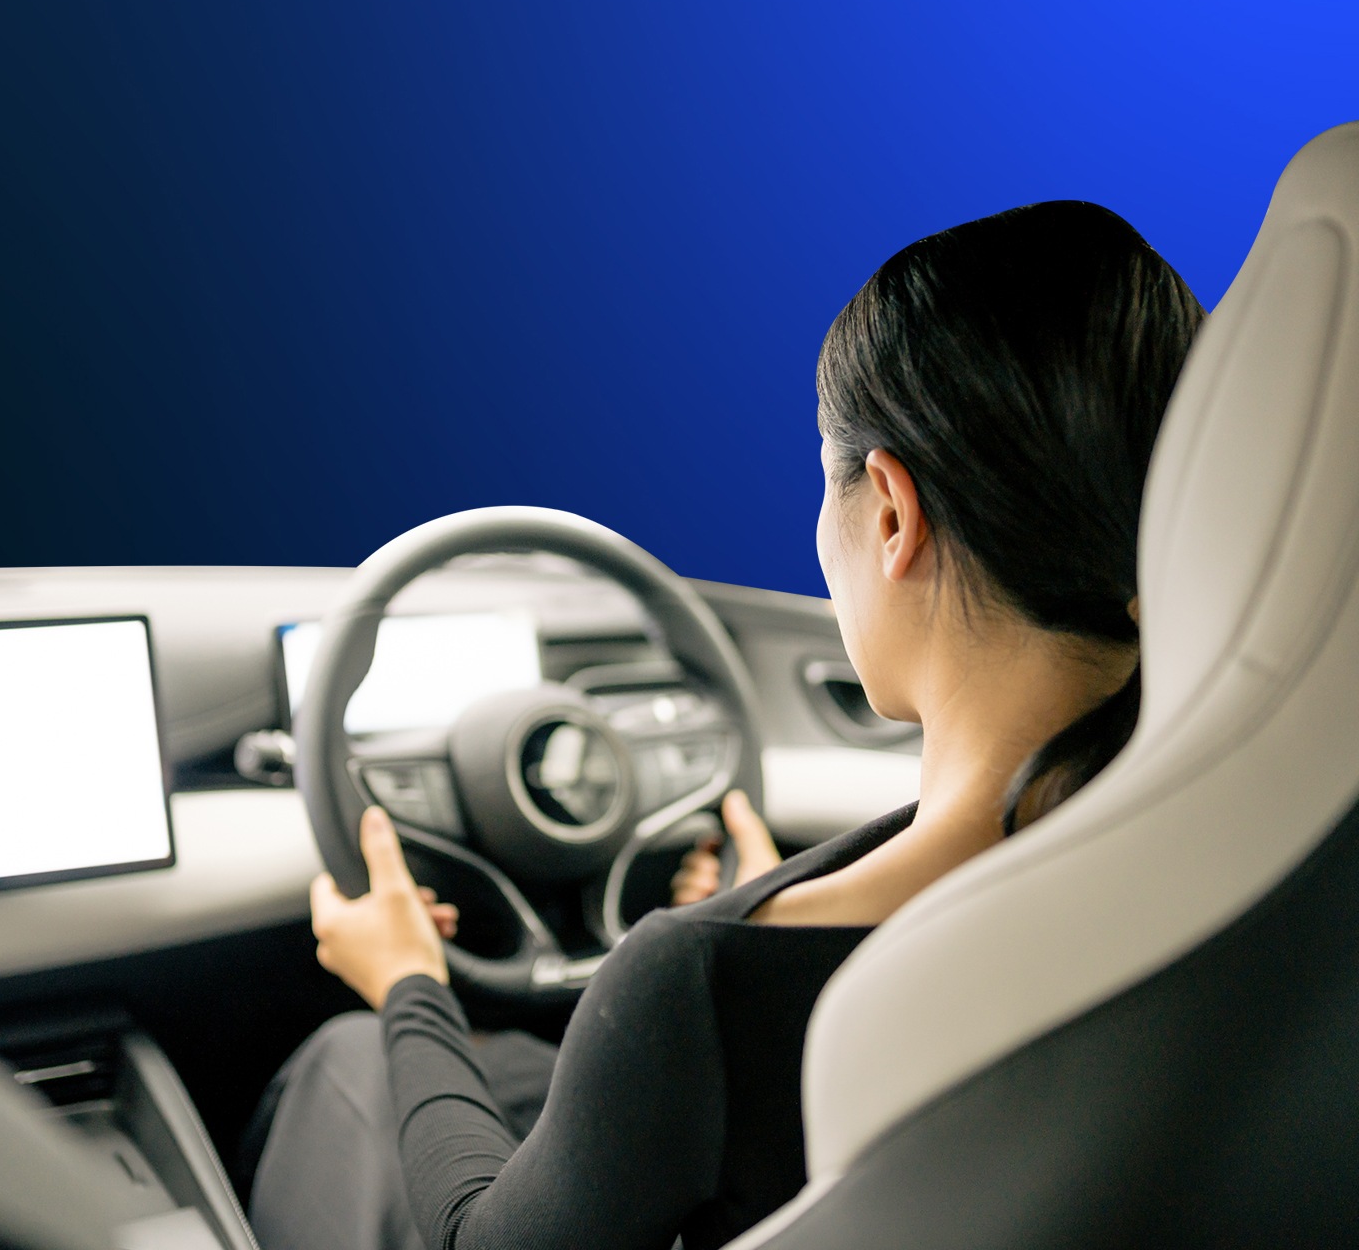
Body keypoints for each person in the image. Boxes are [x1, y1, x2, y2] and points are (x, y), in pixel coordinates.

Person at [248, 201, 1204, 1250]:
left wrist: (409, 983)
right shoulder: (1248, 847)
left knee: (348, 1062)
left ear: (890, 511)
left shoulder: (702, 985)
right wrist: (773, 891)